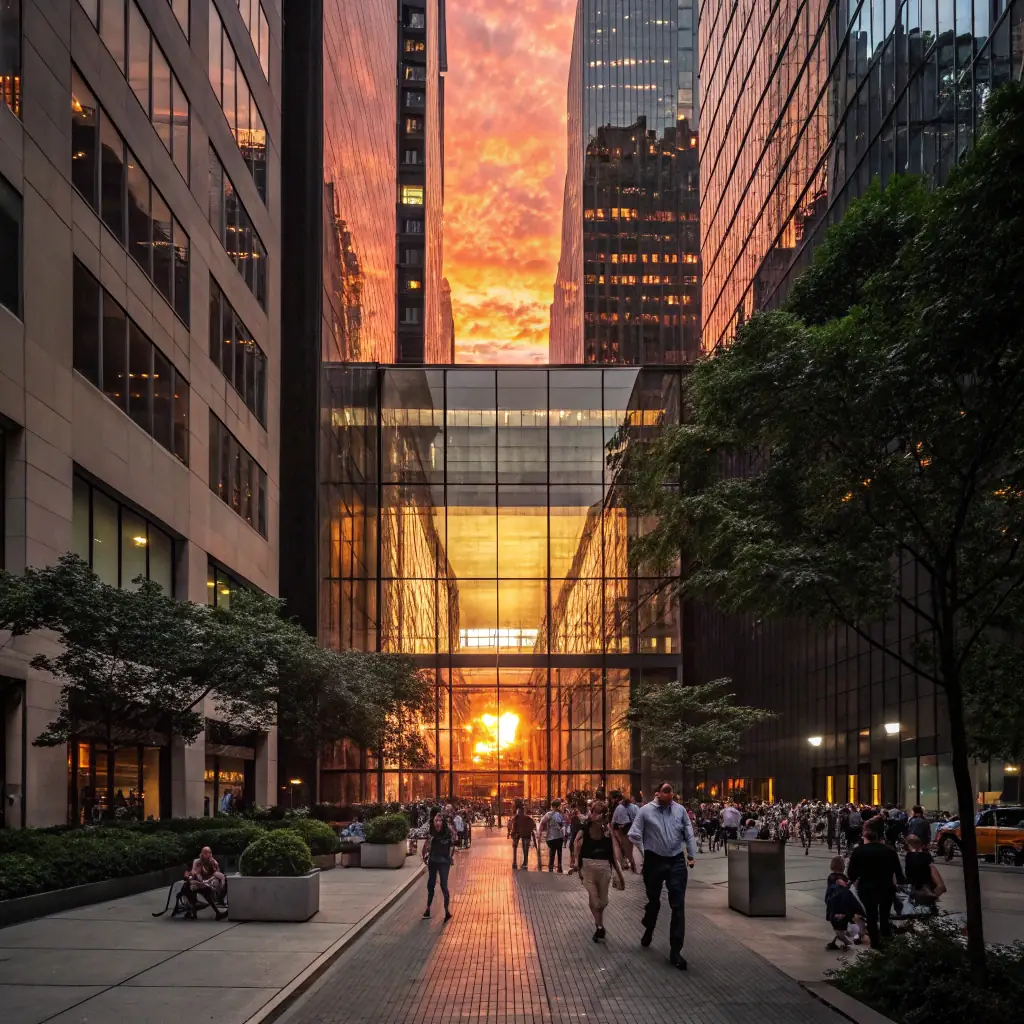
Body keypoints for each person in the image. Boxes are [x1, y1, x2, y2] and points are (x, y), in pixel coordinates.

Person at [627, 781, 698, 970]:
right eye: (666, 790)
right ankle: (649, 926)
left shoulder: (680, 810)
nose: (671, 794)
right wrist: (644, 852)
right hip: (654, 860)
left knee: (678, 905)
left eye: (672, 791)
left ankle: (675, 951)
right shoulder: (645, 811)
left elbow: (688, 832)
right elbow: (634, 834)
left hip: (676, 860)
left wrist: (691, 854)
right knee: (654, 900)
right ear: (657, 793)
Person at [847, 820, 905, 948]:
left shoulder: (859, 851)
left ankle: (875, 943)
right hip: (886, 887)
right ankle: (886, 939)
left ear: (864, 836)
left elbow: (851, 874)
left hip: (867, 888)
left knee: (871, 915)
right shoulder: (889, 851)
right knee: (884, 915)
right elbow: (899, 874)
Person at [574, 800, 624, 942]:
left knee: (603, 901)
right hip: (588, 866)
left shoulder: (607, 831)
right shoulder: (584, 828)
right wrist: (576, 862)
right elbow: (576, 844)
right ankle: (599, 927)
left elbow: (613, 854)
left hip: (604, 867)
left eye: (600, 812)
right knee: (594, 898)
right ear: (591, 812)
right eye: (595, 812)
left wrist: (619, 874)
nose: (597, 815)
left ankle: (599, 927)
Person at [421, 811, 455, 921]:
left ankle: (446, 911)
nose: (438, 823)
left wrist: (450, 857)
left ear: (443, 822)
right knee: (430, 885)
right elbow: (426, 845)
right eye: (436, 820)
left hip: (444, 861)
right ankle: (428, 909)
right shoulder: (431, 832)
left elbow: (451, 846)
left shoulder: (447, 832)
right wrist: (425, 855)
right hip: (433, 860)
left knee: (444, 886)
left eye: (440, 820)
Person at [183, 846, 227, 920]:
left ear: (210, 854)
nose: (205, 854)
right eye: (204, 852)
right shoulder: (197, 862)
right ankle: (194, 913)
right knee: (191, 889)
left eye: (207, 853)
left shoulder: (213, 862)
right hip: (197, 882)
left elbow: (216, 874)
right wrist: (196, 878)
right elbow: (194, 872)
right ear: (201, 853)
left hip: (208, 883)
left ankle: (217, 911)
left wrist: (209, 881)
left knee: (206, 893)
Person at [904, 834, 946, 905]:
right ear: (920, 844)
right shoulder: (927, 862)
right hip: (923, 906)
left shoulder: (905, 862)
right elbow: (941, 887)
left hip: (910, 906)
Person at [611, 793, 638, 872]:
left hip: (624, 830)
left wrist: (613, 832)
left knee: (625, 847)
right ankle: (633, 862)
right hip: (634, 829)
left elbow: (614, 821)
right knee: (632, 847)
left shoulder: (619, 808)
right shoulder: (635, 807)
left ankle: (629, 861)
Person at [538, 799, 566, 872]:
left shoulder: (549, 814)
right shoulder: (560, 815)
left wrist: (539, 833)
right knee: (559, 852)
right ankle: (559, 867)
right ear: (558, 806)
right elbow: (563, 826)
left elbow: (542, 823)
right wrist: (564, 835)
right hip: (558, 837)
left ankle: (551, 867)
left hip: (551, 837)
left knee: (552, 853)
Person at [509, 804, 536, 870]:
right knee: (525, 848)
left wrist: (511, 832)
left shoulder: (516, 817)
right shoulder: (528, 818)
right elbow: (533, 826)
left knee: (515, 847)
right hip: (525, 834)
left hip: (517, 833)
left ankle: (515, 862)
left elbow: (511, 825)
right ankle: (525, 862)